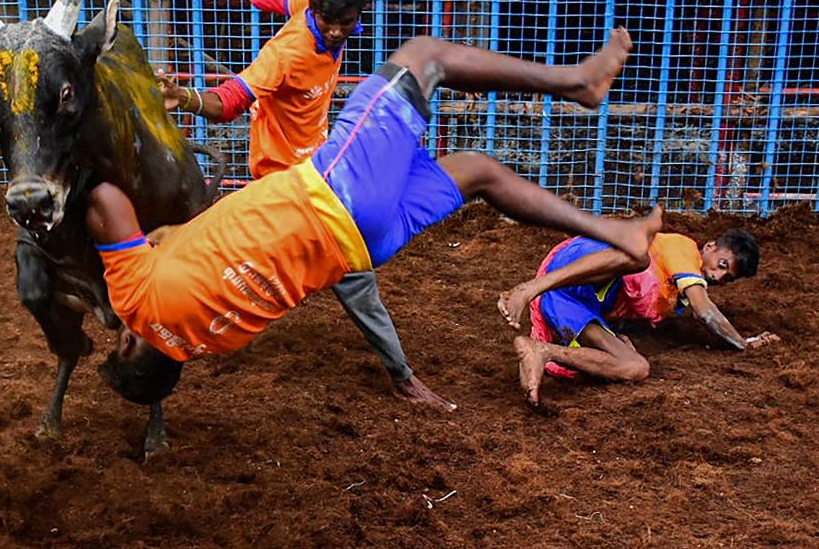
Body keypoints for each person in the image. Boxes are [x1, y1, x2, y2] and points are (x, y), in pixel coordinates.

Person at [88, 29, 663, 408]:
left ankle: (614, 232)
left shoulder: (210, 344)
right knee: (421, 57)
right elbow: (108, 200)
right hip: (333, 195)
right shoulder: (136, 300)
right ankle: (577, 82)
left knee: (477, 171)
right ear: (128, 346)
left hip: (364, 248)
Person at [159, 0, 449, 408]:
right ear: (314, 10)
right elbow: (232, 100)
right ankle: (404, 378)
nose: (335, 31)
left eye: (345, 23)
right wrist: (189, 98)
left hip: (317, 163)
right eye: (327, 22)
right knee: (354, 275)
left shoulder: (307, 5)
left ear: (360, 13)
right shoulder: (286, 51)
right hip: (286, 187)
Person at [499, 227, 780, 406]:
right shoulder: (682, 249)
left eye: (726, 278)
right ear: (708, 247)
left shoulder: (671, 297)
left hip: (570, 303)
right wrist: (743, 343)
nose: (717, 276)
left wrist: (620, 336)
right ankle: (528, 288)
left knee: (636, 367)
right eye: (721, 265)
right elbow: (704, 310)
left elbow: (626, 305)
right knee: (637, 256)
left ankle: (542, 351)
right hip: (576, 267)